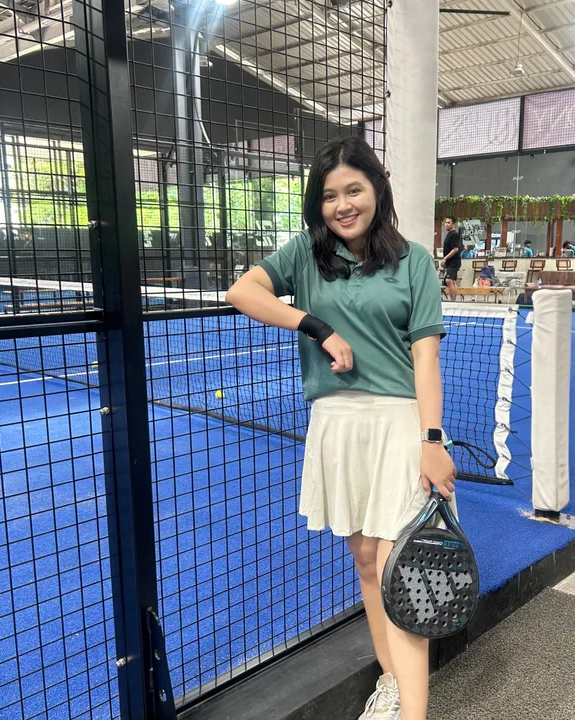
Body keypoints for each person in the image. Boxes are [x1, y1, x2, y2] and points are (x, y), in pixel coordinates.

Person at [225, 136, 457, 720]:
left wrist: (431, 441)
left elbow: (425, 360)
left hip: (399, 425)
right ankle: (392, 683)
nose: (342, 205)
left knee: (404, 570)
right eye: (329, 196)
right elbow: (241, 292)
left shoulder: (414, 261)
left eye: (354, 190)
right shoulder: (306, 254)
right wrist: (316, 326)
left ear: (377, 189)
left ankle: (414, 715)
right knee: (367, 561)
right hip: (335, 425)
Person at [440, 216, 461, 301]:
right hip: (450, 262)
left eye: (449, 223)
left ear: (453, 224)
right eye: (446, 222)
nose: (446, 224)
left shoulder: (454, 234)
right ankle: (454, 301)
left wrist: (445, 258)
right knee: (452, 281)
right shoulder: (449, 234)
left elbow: (455, 249)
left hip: (454, 262)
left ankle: (453, 301)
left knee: (448, 280)